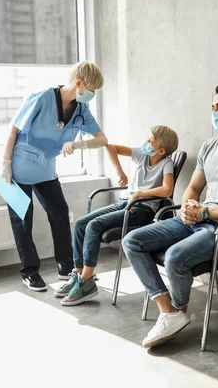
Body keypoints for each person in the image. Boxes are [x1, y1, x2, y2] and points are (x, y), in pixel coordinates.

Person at [122, 85, 218, 348]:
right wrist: (188, 206)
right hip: (196, 219)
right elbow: (193, 188)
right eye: (213, 107)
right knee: (132, 241)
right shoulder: (209, 146)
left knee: (175, 257)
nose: (214, 112)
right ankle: (169, 311)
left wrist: (206, 212)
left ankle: (179, 310)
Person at [0, 61, 108, 292]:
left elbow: (102, 139)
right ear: (79, 83)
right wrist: (5, 164)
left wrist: (78, 144)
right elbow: (14, 129)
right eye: (92, 89)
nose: (93, 94)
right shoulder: (41, 98)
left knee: (59, 212)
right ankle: (30, 273)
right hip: (18, 167)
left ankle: (67, 267)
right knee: (22, 220)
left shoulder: (81, 109)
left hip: (46, 169)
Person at [55, 126, 179, 306]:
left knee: (94, 225)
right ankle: (79, 275)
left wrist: (139, 194)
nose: (147, 142)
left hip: (141, 209)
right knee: (81, 223)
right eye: (149, 138)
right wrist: (120, 172)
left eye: (152, 141)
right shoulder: (142, 154)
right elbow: (111, 147)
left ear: (161, 150)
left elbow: (167, 189)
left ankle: (87, 283)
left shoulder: (166, 163)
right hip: (125, 202)